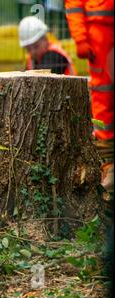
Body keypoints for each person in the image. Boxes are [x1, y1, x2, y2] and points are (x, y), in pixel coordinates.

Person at [65, 0, 114, 192]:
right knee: (104, 94)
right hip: (100, 32)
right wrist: (81, 39)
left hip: (100, 29)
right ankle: (108, 161)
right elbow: (75, 5)